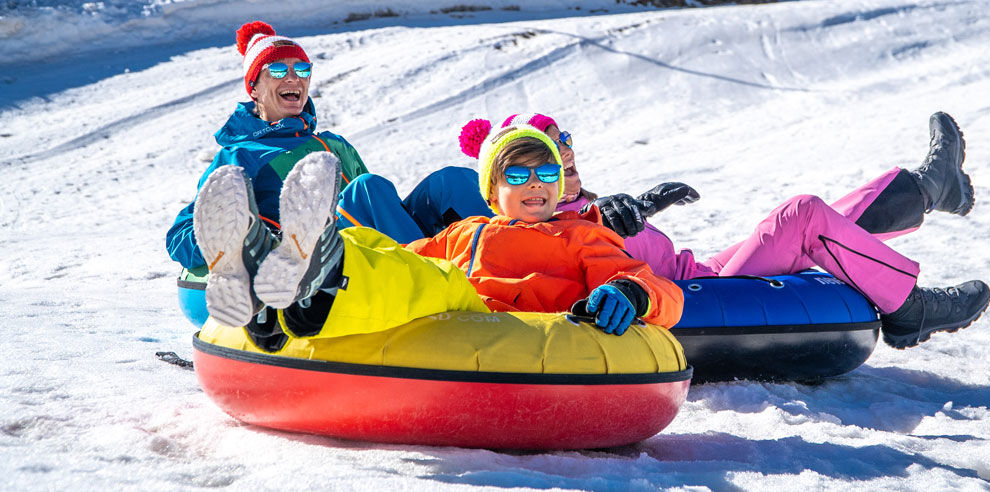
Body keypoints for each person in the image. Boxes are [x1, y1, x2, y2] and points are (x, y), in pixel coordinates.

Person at [457, 112, 990, 349]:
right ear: (502, 180)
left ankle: (929, 187)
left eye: (559, 157)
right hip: (698, 293)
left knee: (808, 223)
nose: (557, 167)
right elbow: (564, 255)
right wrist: (614, 218)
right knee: (802, 215)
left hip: (703, 270)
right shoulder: (554, 225)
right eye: (542, 156)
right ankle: (908, 306)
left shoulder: (586, 206)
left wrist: (636, 209)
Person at [191, 124, 682, 346]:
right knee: (405, 265)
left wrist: (631, 292)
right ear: (491, 190)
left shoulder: (581, 235)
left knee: (437, 283)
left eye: (547, 175)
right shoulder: (469, 230)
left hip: (512, 325)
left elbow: (651, 284)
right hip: (453, 316)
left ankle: (318, 268)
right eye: (517, 175)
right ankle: (279, 271)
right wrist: (365, 251)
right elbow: (403, 260)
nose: (535, 184)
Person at [165, 21, 489, 330]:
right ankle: (433, 287)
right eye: (278, 70)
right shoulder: (241, 155)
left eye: (302, 70)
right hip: (315, 262)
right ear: (254, 88)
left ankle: (507, 258)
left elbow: (378, 213)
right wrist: (249, 239)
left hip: (371, 248)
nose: (293, 78)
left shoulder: (333, 144)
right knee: (366, 188)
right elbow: (184, 234)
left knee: (451, 181)